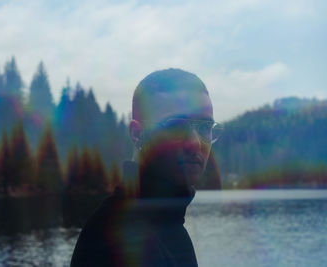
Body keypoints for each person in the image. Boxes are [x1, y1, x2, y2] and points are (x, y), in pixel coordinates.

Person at [70, 68, 222, 267]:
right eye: (176, 126)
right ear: (137, 134)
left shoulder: (169, 223)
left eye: (204, 128)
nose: (195, 143)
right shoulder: (114, 238)